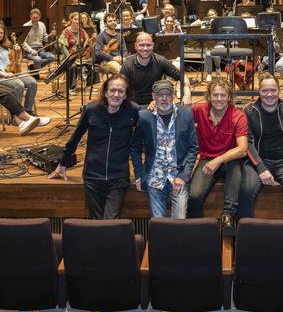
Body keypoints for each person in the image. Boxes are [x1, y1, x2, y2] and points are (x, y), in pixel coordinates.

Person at [49, 74, 141, 219]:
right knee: (96, 222)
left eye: (121, 91)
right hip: (93, 176)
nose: (116, 94)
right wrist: (63, 162)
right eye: (112, 90)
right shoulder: (91, 110)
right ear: (105, 92)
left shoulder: (134, 111)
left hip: (118, 177)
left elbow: (142, 139)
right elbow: (75, 137)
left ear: (125, 95)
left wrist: (140, 172)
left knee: (111, 222)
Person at [238, 74, 283, 222]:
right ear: (259, 91)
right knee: (246, 191)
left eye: (273, 90)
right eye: (265, 90)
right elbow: (247, 143)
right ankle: (245, 233)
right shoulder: (249, 110)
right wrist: (260, 168)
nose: (269, 94)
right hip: (258, 160)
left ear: (279, 91)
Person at [187, 78, 248, 235]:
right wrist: (153, 105)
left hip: (229, 160)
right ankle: (198, 232)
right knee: (194, 196)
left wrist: (218, 160)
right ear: (209, 96)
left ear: (229, 97)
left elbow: (242, 149)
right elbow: (178, 115)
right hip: (207, 160)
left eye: (223, 95)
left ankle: (228, 217)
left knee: (235, 170)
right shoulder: (199, 110)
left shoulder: (238, 116)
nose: (219, 99)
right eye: (215, 95)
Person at [131, 79, 198, 219]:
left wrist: (184, 175)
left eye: (168, 94)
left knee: (179, 221)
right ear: (153, 96)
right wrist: (139, 174)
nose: (164, 98)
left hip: (178, 176)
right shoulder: (144, 116)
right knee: (158, 223)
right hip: (154, 178)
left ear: (174, 95)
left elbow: (193, 148)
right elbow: (134, 147)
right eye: (160, 95)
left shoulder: (186, 114)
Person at [0, 23, 38, 115]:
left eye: (1, 33)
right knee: (19, 85)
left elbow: (14, 62)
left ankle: (28, 111)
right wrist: (4, 74)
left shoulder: (6, 46)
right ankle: (17, 115)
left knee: (32, 82)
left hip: (11, 73)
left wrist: (17, 52)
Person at [120, 32, 190, 106]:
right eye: (141, 45)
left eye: (148, 45)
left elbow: (182, 76)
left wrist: (187, 93)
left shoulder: (160, 61)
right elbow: (119, 89)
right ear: (135, 46)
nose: (145, 48)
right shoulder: (127, 66)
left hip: (156, 104)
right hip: (135, 106)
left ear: (153, 46)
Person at [59, 12, 89, 91]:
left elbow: (87, 41)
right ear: (71, 20)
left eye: (79, 19)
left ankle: (89, 85)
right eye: (75, 19)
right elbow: (64, 47)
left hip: (79, 57)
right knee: (72, 66)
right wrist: (69, 57)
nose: (77, 21)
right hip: (67, 57)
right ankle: (71, 88)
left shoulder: (82, 31)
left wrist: (85, 48)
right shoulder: (66, 31)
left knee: (91, 63)